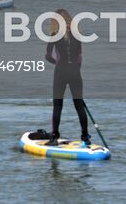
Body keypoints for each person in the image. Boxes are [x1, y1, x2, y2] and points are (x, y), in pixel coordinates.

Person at [45, 9, 91, 147]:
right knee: (79, 105)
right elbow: (80, 57)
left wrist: (57, 63)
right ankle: (85, 136)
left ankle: (54, 137)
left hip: (60, 72)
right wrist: (76, 69)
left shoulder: (54, 35)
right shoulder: (77, 35)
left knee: (58, 105)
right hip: (75, 73)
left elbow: (47, 56)